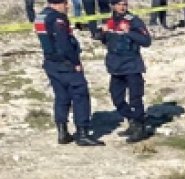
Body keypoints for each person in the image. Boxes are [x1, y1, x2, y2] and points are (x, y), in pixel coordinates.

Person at [35, 0, 102, 146]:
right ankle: (82, 133)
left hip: (50, 63)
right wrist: (76, 63)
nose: (67, 6)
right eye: (65, 3)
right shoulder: (58, 19)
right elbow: (64, 43)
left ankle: (62, 132)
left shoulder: (40, 16)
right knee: (80, 94)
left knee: (61, 96)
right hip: (65, 64)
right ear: (58, 4)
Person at [96, 0, 151, 143]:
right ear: (113, 6)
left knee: (135, 99)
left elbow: (146, 41)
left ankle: (140, 127)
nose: (122, 7)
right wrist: (102, 33)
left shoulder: (133, 21)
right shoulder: (109, 21)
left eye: (125, 4)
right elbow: (103, 39)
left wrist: (129, 32)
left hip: (132, 66)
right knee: (117, 98)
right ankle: (132, 120)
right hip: (115, 67)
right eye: (119, 4)